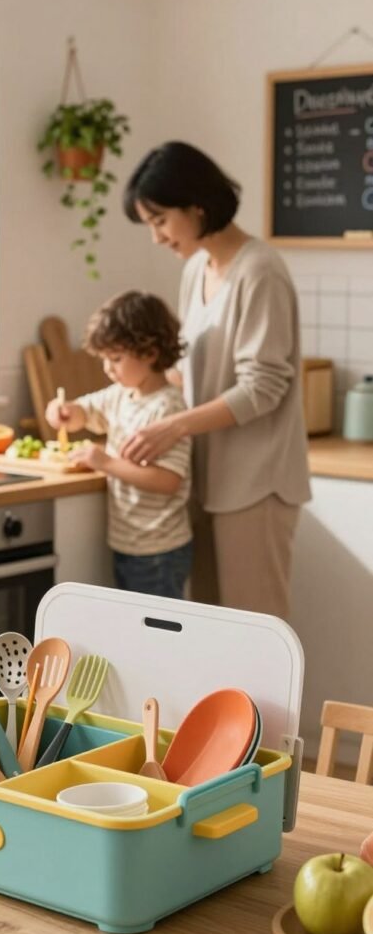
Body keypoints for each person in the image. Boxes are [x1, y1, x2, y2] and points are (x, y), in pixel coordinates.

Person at [122, 141, 311, 620]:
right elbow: (183, 367)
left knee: (256, 634)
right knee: (211, 633)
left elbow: (263, 387)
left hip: (255, 483)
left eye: (160, 220)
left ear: (197, 205)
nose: (156, 237)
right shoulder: (195, 270)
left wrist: (175, 426)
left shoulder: (260, 271)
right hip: (205, 476)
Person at [45, 290, 192, 599]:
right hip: (127, 543)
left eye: (115, 359)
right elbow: (83, 413)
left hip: (159, 550)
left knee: (157, 642)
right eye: (104, 360)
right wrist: (63, 413)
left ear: (150, 353)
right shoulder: (120, 395)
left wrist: (106, 463)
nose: (108, 369)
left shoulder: (168, 407)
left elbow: (168, 481)